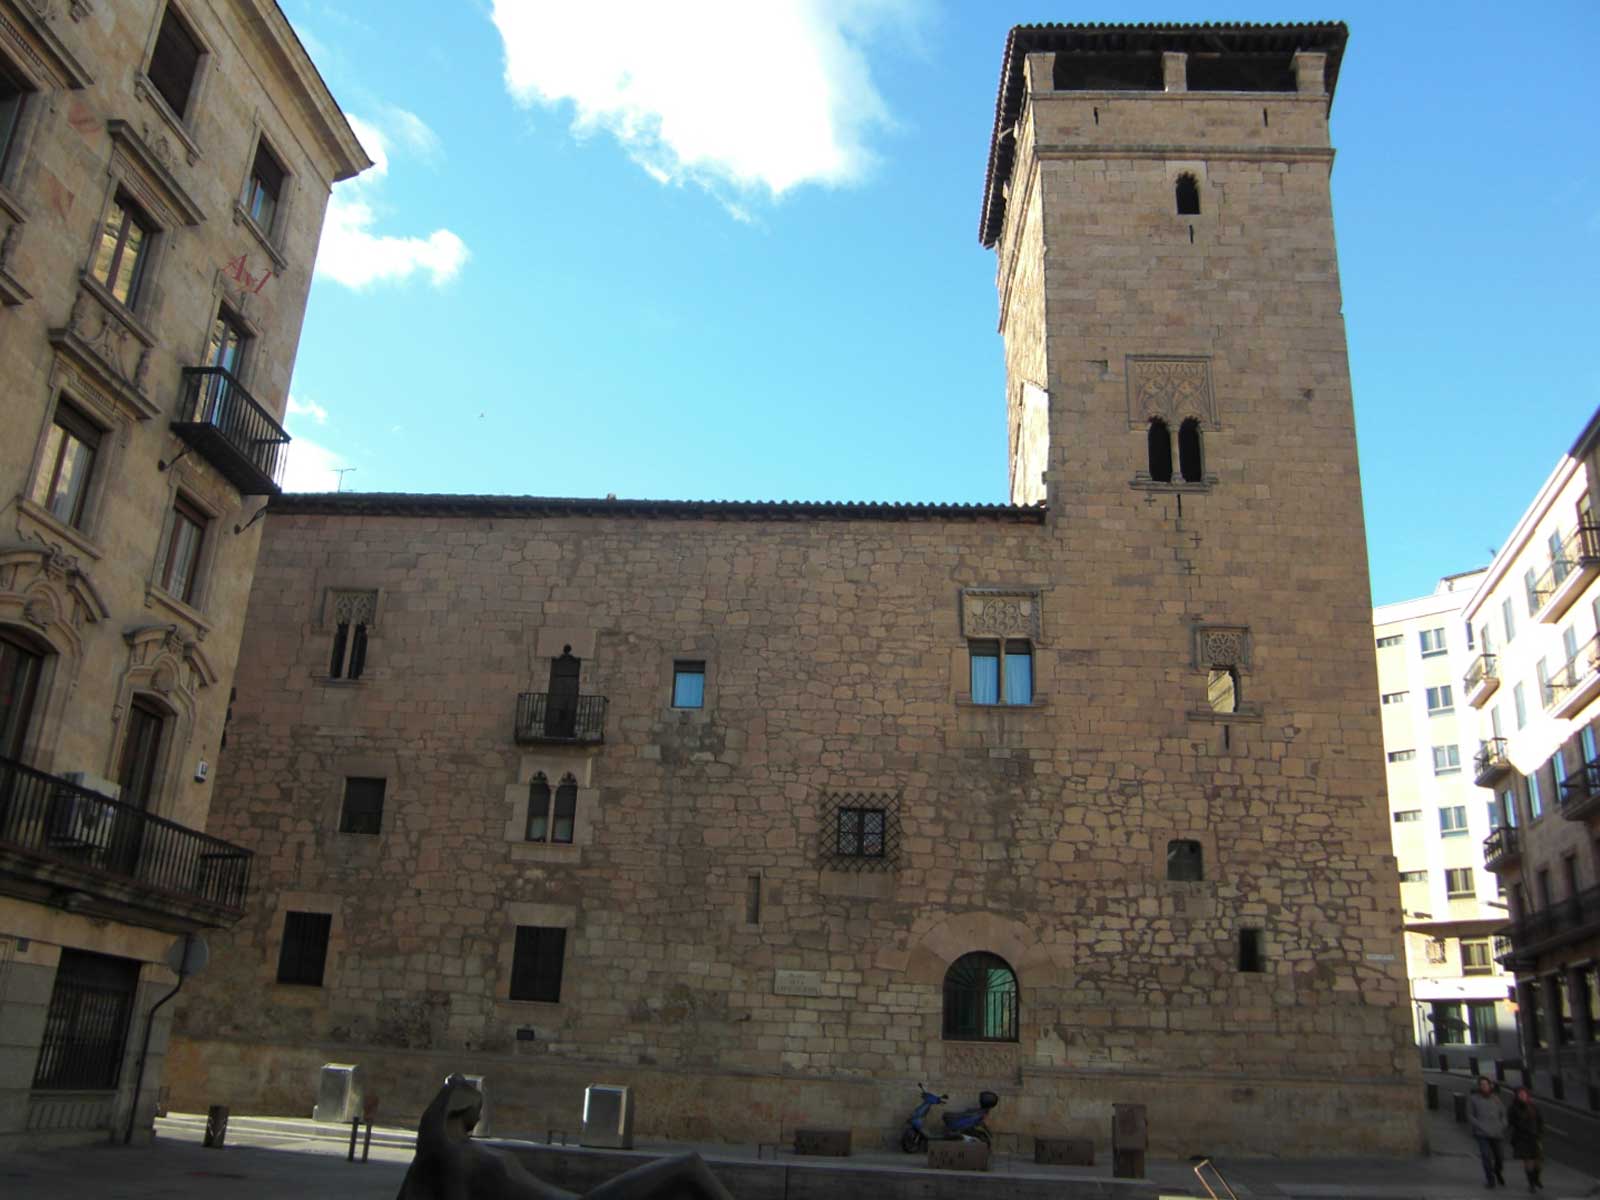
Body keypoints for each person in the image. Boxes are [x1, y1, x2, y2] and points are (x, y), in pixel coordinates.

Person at [1467, 1076, 1508, 1189]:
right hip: (1482, 1133)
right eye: (1482, 1085)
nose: (1484, 1086)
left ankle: (1497, 1170)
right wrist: (1479, 1125)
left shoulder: (1496, 1098)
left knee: (1499, 1156)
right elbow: (1470, 1115)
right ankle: (1490, 1179)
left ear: (1490, 1086)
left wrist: (1502, 1125)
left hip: (1496, 1132)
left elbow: (1503, 1113)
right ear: (1479, 1087)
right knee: (1486, 1156)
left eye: (1486, 1084)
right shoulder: (1474, 1099)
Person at [1507, 1086, 1545, 1193]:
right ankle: (1531, 1184)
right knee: (1528, 1161)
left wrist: (1540, 1132)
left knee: (1539, 1161)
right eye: (1520, 1094)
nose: (1523, 1096)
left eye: (1524, 1094)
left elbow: (1540, 1120)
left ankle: (1536, 1178)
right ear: (1516, 1096)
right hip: (1522, 1138)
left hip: (1535, 1137)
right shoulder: (1513, 1108)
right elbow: (1511, 1122)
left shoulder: (1533, 1106)